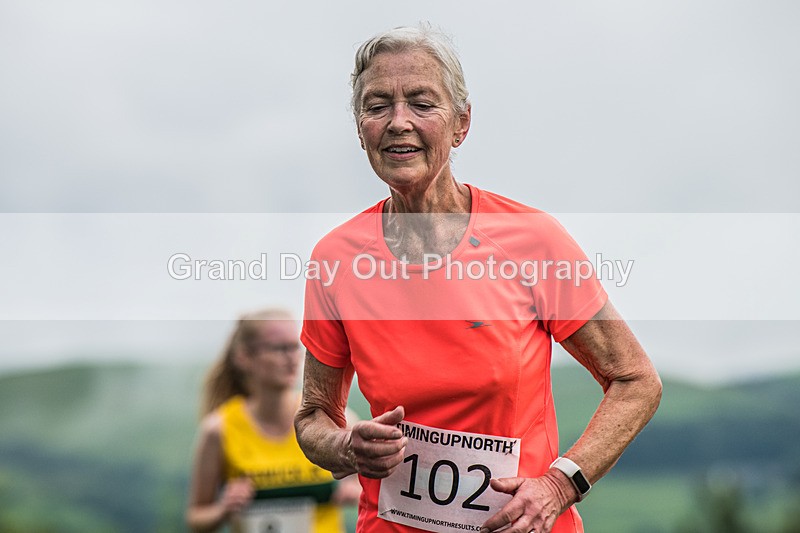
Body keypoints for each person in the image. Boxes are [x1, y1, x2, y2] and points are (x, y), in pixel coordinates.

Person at [294, 25, 662, 533]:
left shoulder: (532, 240)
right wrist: (344, 445)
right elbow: (315, 414)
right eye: (378, 105)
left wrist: (559, 485)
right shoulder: (336, 258)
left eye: (422, 103)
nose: (399, 122)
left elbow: (635, 380)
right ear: (360, 129)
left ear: (461, 123)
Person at [186, 308, 360, 533]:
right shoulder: (218, 430)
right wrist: (223, 509)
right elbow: (195, 518)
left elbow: (370, 488)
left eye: (295, 347)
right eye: (279, 348)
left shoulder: (333, 418)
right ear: (244, 357)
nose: (291, 357)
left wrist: (354, 490)